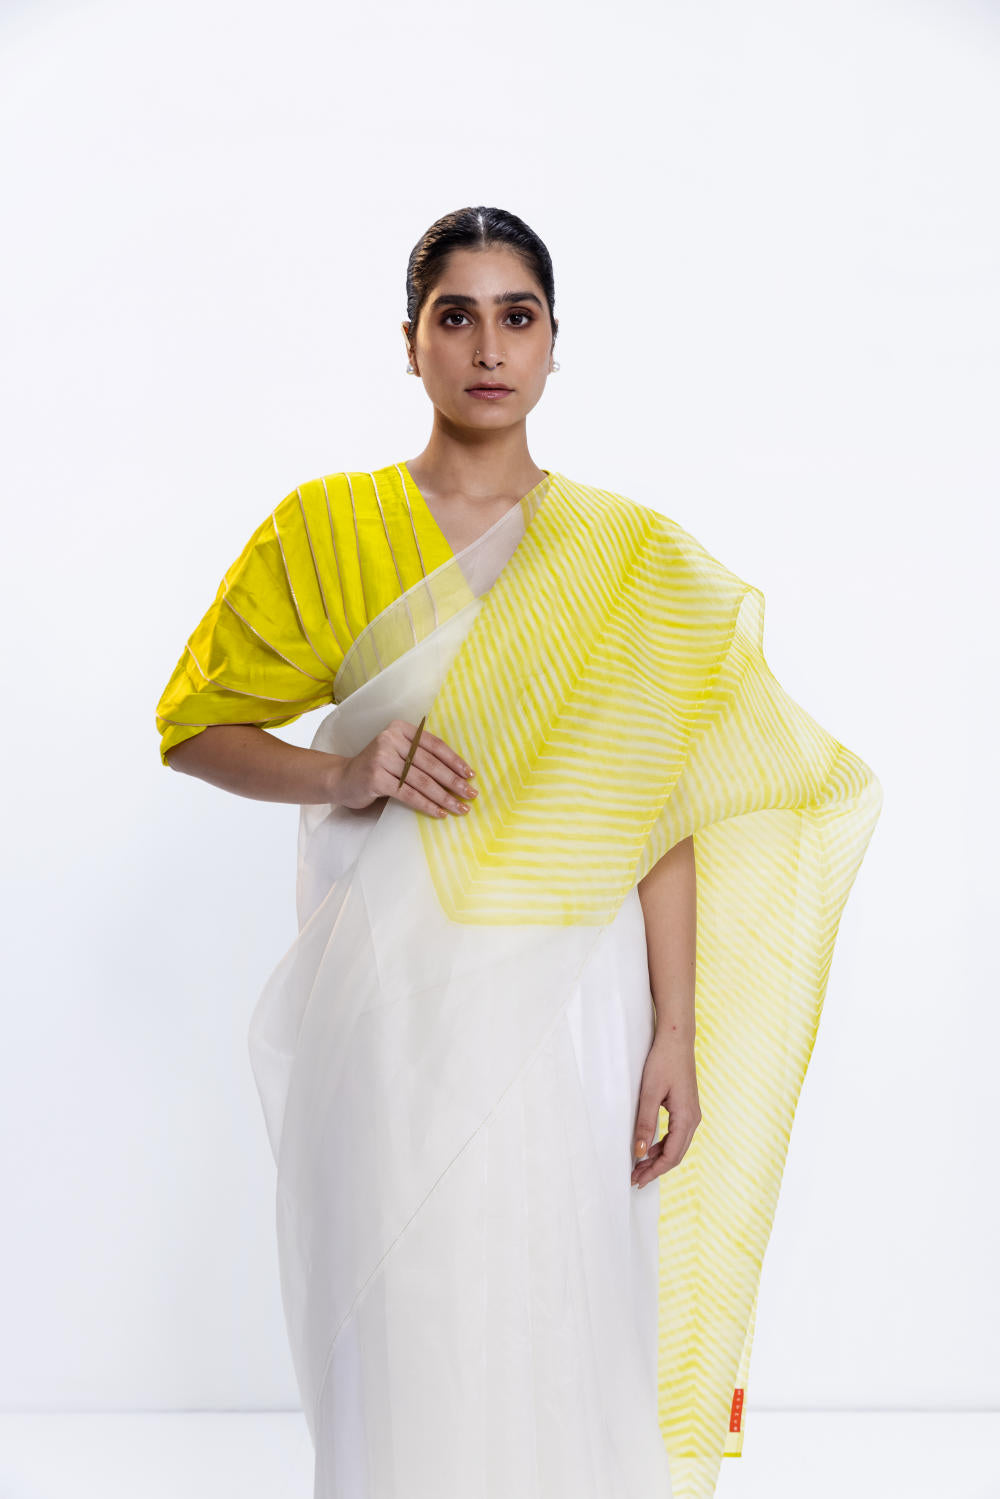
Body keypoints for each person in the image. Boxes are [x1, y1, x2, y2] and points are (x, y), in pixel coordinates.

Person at [155, 205, 882, 1499]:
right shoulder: (327, 527)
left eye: (517, 315)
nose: (488, 346)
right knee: (404, 1302)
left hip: (576, 994)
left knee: (565, 1299)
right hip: (392, 993)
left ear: (553, 341)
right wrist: (341, 772)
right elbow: (194, 727)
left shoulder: (627, 556)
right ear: (410, 342)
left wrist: (673, 1032)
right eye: (457, 316)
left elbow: (660, 811)